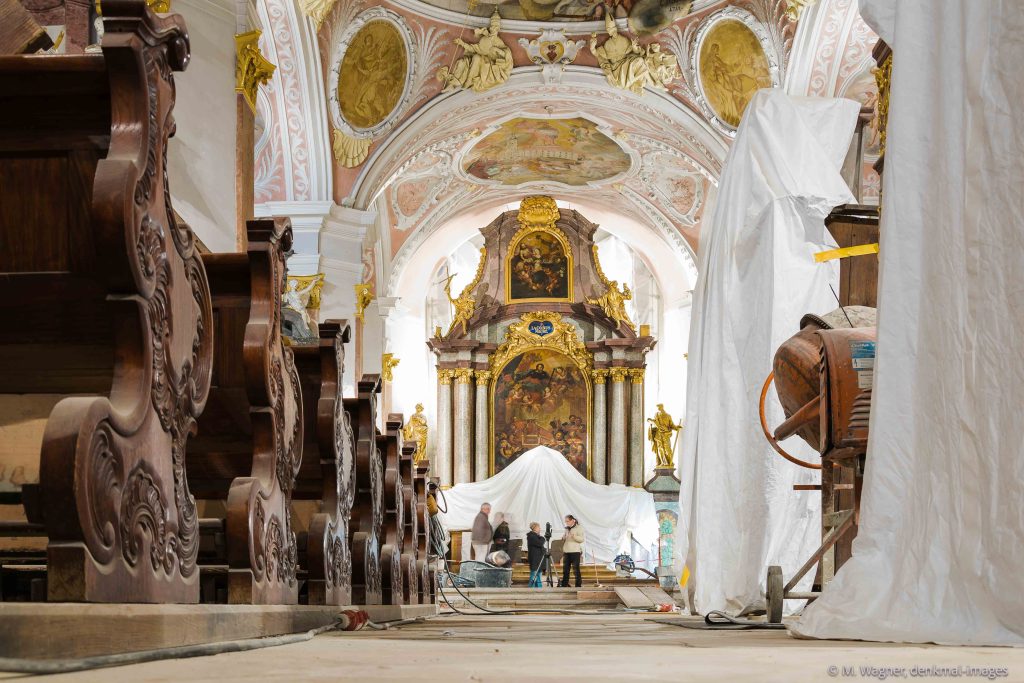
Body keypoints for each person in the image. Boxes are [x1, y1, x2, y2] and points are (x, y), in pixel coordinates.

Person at [561, 514, 585, 588]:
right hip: (566, 551)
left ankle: (578, 585)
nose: (566, 523)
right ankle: (564, 585)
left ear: (572, 520)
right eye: (565, 521)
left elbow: (581, 539)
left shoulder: (579, 528)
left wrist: (574, 536)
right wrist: (563, 537)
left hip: (575, 552)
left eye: (567, 521)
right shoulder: (567, 529)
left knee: (576, 570)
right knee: (565, 570)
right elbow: (564, 539)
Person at [526, 522, 547, 588]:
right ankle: (531, 588)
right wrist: (543, 538)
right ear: (535, 528)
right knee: (534, 574)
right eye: (539, 527)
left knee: (539, 574)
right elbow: (540, 543)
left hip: (539, 558)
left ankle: (539, 587)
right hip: (535, 558)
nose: (540, 528)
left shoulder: (536, 536)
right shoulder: (531, 536)